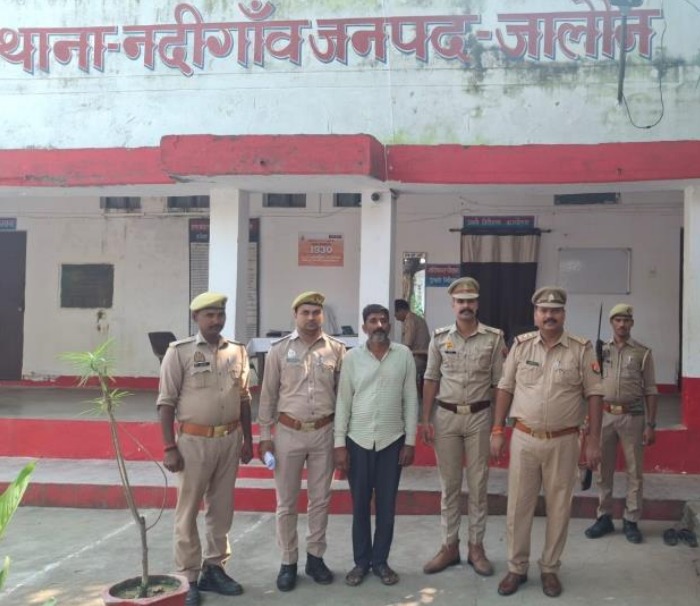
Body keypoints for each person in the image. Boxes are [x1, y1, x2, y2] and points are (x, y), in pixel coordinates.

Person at [491, 286, 603, 599]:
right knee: (518, 506)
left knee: (559, 507)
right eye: (543, 310)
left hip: (564, 441)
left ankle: (550, 568)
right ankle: (516, 568)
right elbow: (505, 387)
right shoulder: (521, 346)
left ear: (563, 314)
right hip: (524, 438)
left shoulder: (581, 349)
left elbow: (595, 394)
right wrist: (497, 430)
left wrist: (593, 440)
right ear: (535, 314)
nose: (549, 315)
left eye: (555, 310)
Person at [157, 292, 253, 606]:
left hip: (229, 440)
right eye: (209, 315)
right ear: (195, 318)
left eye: (220, 314)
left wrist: (248, 440)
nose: (216, 320)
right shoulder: (179, 352)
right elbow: (166, 403)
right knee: (187, 512)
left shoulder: (237, 351)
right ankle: (188, 576)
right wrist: (169, 447)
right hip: (193, 443)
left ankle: (215, 567)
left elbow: (244, 399)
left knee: (222, 509)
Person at [257, 291, 346, 592]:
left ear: (322, 315)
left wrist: (340, 439)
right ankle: (288, 561)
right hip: (288, 433)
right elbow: (267, 396)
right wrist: (265, 437)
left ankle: (315, 558)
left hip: (324, 432)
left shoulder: (337, 349)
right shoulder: (279, 350)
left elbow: (343, 397)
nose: (311, 317)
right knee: (286, 503)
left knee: (320, 500)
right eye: (305, 312)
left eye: (316, 312)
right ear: (295, 315)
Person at [420, 276, 506, 577]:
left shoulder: (494, 338)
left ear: (477, 304)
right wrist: (425, 419)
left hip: (480, 417)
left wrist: (498, 427)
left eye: (470, 301)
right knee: (450, 486)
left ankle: (476, 547)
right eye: (460, 301)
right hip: (446, 417)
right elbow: (431, 378)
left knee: (479, 486)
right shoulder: (439, 338)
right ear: (452, 304)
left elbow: (500, 385)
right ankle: (449, 546)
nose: (465, 306)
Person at [334, 304, 418, 587]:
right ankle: (361, 562)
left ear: (390, 325)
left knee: (386, 507)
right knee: (359, 506)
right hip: (357, 442)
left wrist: (410, 441)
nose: (379, 325)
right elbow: (343, 401)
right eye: (373, 321)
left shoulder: (403, 355)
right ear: (364, 327)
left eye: (383, 320)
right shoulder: (352, 358)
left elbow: (411, 399)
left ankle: (380, 561)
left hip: (391, 442)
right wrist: (339, 444)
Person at [585, 303, 658, 544]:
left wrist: (651, 425)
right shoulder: (600, 350)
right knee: (603, 470)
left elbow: (651, 390)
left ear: (631, 323)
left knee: (634, 471)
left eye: (626, 320)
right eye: (617, 320)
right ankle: (604, 516)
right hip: (605, 416)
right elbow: (591, 387)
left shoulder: (642, 353)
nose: (622, 324)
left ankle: (631, 519)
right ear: (611, 323)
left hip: (633, 417)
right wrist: (589, 420)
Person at [394, 299, 431, 393]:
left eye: (395, 313)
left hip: (418, 358)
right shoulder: (416, 318)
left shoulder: (410, 320)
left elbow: (407, 345)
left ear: (401, 310)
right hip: (422, 357)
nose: (394, 316)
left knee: (392, 368)